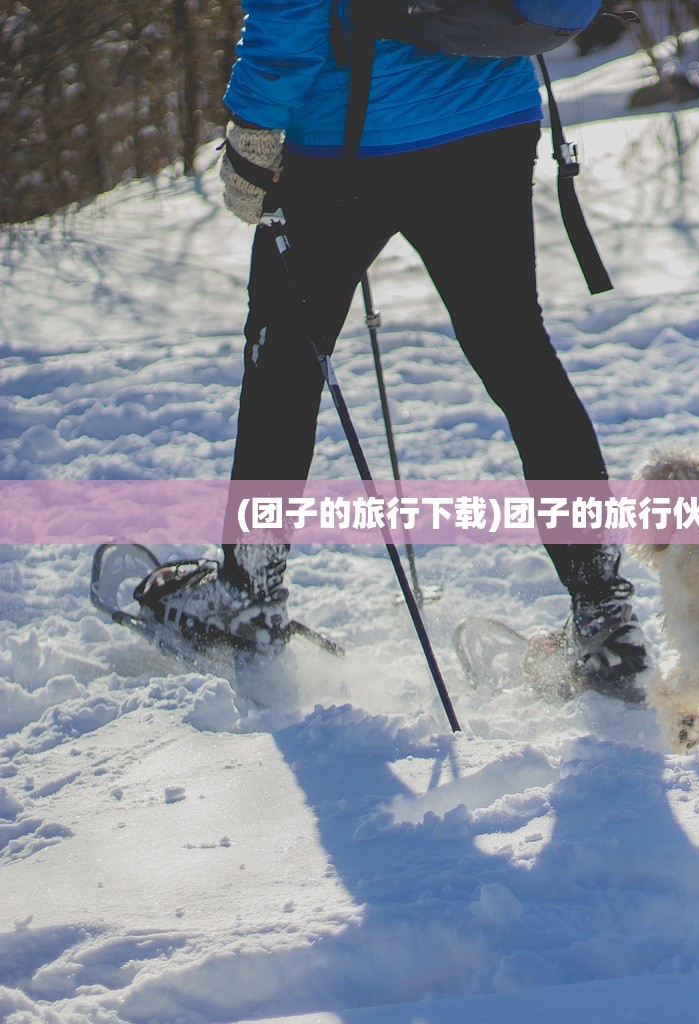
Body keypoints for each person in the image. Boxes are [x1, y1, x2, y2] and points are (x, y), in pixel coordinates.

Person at [136, 0, 652, 704]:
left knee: (285, 364)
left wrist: (255, 125)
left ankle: (246, 595)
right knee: (519, 360)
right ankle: (605, 620)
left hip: (340, 145)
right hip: (487, 120)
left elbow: (291, 10)